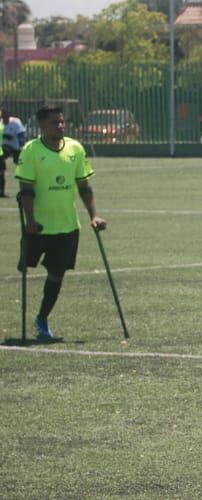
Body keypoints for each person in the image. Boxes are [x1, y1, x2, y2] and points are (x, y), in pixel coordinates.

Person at [15, 105, 106, 342]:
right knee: (24, 267)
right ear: (42, 125)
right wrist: (30, 220)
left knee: (56, 275)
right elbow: (25, 190)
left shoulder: (75, 148)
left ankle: (42, 318)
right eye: (55, 122)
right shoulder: (31, 151)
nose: (60, 126)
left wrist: (93, 216)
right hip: (37, 228)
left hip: (67, 227)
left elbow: (84, 187)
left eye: (62, 122)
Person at [1, 108, 27, 197]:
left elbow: (21, 135)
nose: (3, 118)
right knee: (1, 168)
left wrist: (21, 147)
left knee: (21, 167)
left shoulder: (16, 122)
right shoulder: (1, 123)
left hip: (16, 148)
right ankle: (1, 191)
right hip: (5, 147)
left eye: (4, 116)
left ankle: (26, 188)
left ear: (8, 115)